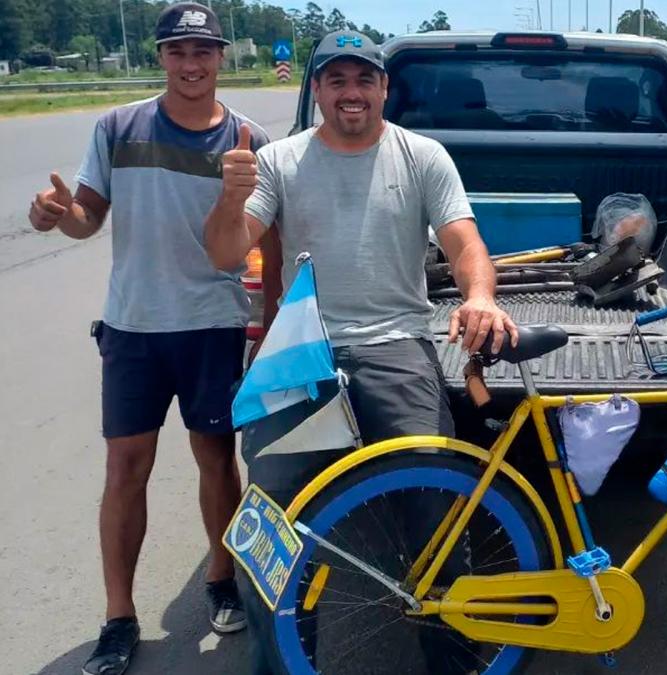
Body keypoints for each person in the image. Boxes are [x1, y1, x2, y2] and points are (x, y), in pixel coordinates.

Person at [203, 30, 516, 674]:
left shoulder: (422, 155)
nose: (352, 93)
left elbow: (463, 243)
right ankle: (286, 661)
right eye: (337, 80)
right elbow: (226, 253)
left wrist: (480, 296)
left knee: (436, 497)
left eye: (364, 79)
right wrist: (230, 199)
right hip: (303, 352)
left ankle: (451, 658)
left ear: (384, 88)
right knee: (273, 520)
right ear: (317, 89)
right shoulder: (280, 160)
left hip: (397, 344)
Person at [26, 3, 269, 674]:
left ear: (221, 56)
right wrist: (54, 216)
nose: (191, 64)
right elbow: (85, 217)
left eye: (203, 51)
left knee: (217, 461)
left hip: (214, 324)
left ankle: (221, 578)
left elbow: (265, 241)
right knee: (124, 468)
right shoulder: (117, 126)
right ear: (161, 56)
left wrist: (272, 318)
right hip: (133, 326)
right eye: (177, 51)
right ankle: (118, 616)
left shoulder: (250, 139)